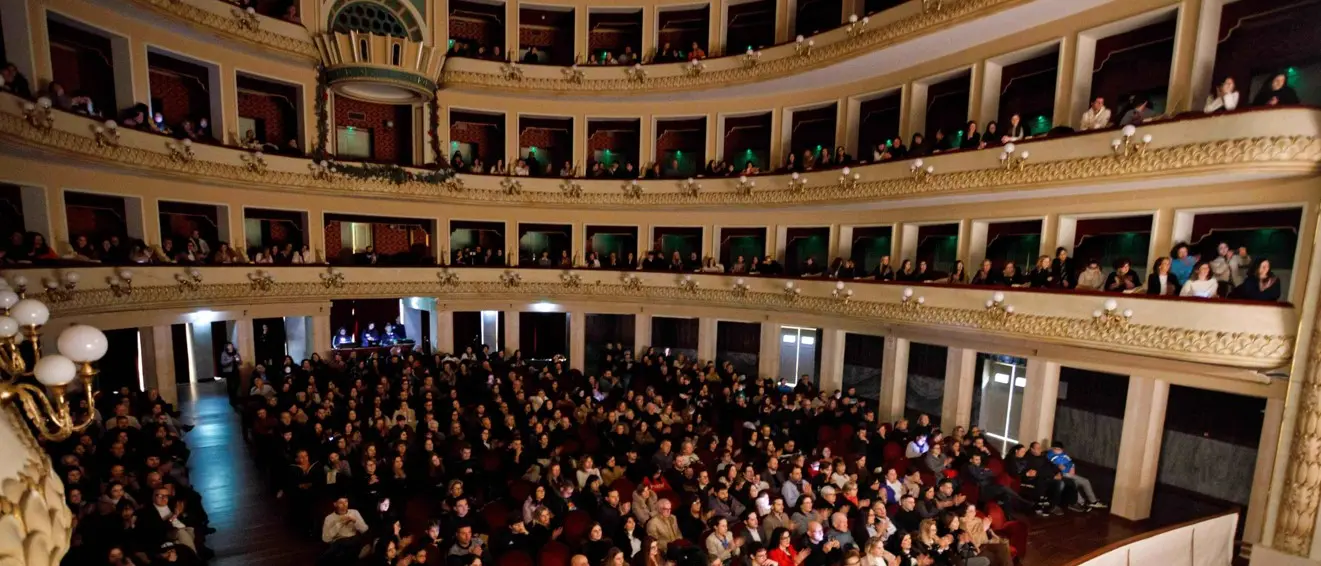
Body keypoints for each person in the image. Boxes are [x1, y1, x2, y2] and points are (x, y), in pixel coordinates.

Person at [1048, 442, 1106, 510]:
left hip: (1069, 473)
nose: (1057, 451)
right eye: (1055, 449)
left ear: (1062, 449)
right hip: (1062, 474)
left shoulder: (1063, 455)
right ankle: (1081, 503)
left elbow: (1070, 462)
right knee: (1073, 484)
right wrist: (1067, 468)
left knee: (1085, 481)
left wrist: (1072, 467)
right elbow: (1060, 467)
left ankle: (1093, 502)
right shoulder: (1051, 455)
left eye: (1059, 449)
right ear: (1052, 449)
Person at [321, 496, 370, 563]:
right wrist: (340, 524)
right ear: (335, 504)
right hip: (338, 542)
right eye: (341, 502)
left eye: (346, 501)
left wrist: (355, 521)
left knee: (354, 547)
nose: (344, 505)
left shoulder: (354, 512)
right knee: (324, 559)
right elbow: (326, 539)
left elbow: (364, 529)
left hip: (353, 540)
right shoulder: (329, 518)